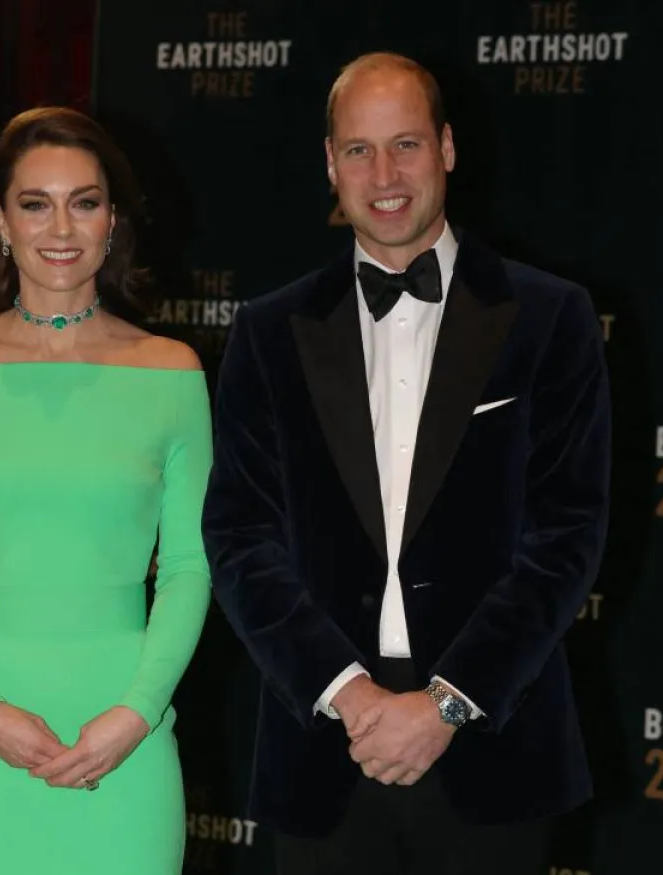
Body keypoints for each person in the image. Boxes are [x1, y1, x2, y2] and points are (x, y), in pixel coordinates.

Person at [202, 52, 611, 875]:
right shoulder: (269, 330)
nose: (383, 174)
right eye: (358, 150)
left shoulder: (549, 317)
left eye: (406, 145)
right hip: (326, 745)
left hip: (492, 744)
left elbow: (566, 535)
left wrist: (446, 703)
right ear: (330, 163)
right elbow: (242, 536)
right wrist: (349, 693)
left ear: (448, 148)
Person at [0, 107, 212, 874]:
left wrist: (135, 715)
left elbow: (193, 565)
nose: (61, 226)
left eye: (85, 200)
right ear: (0, 221)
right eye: (35, 202)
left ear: (113, 221)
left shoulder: (171, 371)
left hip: (126, 740)